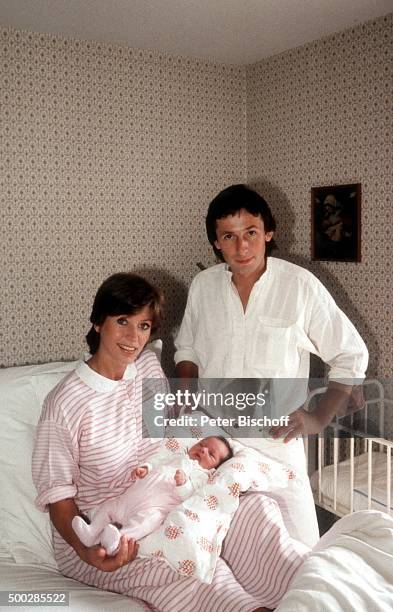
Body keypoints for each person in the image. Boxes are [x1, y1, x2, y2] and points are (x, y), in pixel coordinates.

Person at [32, 271, 307, 612]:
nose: (134, 338)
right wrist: (86, 551)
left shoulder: (146, 366)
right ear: (98, 323)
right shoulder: (64, 404)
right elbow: (59, 497)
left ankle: (317, 589)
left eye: (144, 326)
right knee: (199, 573)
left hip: (169, 497)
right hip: (110, 529)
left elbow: (171, 430)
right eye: (123, 321)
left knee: (255, 510)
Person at [174, 184, 369, 548]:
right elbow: (187, 347)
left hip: (275, 443)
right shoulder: (203, 286)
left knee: (302, 549)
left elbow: (350, 354)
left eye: (250, 233)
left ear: (268, 232)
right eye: (228, 237)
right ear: (216, 243)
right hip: (214, 440)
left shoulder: (299, 286)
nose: (241, 247)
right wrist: (184, 393)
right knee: (222, 548)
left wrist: (318, 418)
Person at [72, 436, 233, 555]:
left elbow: (189, 496)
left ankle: (117, 542)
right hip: (129, 498)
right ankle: (92, 533)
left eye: (211, 454)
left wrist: (184, 483)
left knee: (147, 522)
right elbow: (156, 461)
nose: (203, 450)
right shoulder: (178, 457)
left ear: (214, 469)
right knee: (109, 505)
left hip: (154, 507)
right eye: (201, 444)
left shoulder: (202, 476)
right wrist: (146, 468)